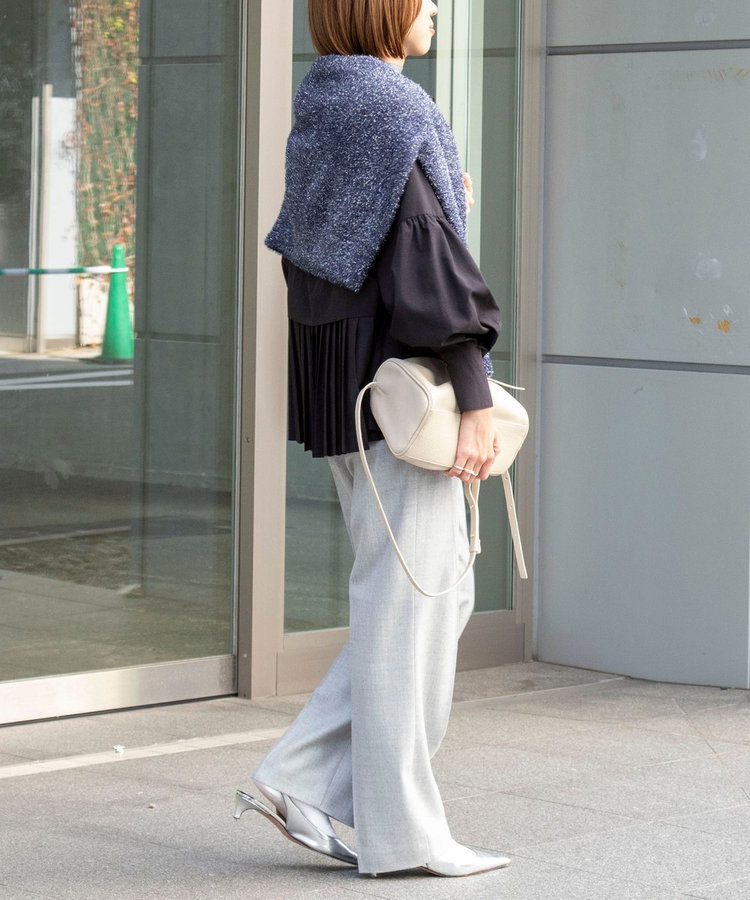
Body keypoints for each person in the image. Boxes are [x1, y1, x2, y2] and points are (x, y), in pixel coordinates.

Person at [235, 0, 508, 878]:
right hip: (403, 398)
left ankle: (297, 777)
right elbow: (423, 257)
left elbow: (329, 257)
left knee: (430, 599)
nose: (436, 8)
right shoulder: (395, 109)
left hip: (351, 392)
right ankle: (403, 836)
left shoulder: (326, 100)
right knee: (409, 611)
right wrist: (472, 392)